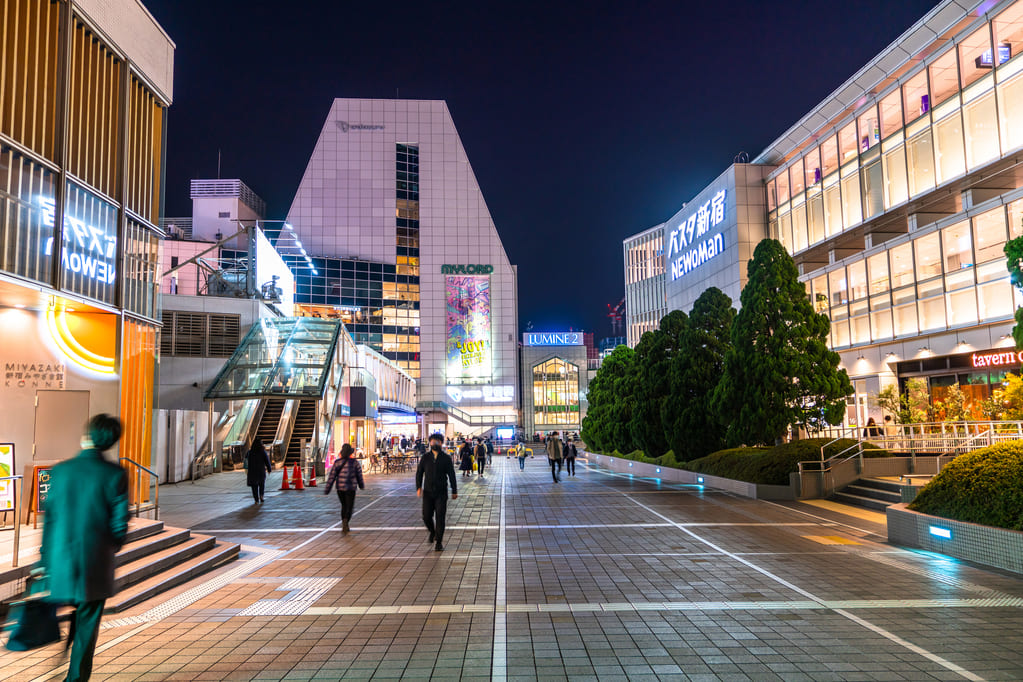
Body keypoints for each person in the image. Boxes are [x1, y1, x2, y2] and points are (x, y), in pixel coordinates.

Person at [40, 414, 128, 682]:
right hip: (95, 562)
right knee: (87, 622)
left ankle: (58, 654)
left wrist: (45, 557)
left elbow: (50, 518)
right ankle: (75, 677)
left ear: (87, 436)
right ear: (111, 442)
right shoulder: (115, 474)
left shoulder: (61, 470)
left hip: (61, 560)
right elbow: (119, 524)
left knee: (64, 610)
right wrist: (108, 547)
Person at [416, 433, 458, 551]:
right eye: (433, 441)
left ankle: (438, 542)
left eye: (438, 441)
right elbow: (419, 473)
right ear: (430, 443)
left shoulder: (446, 458)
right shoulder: (425, 457)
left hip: (441, 493)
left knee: (440, 517)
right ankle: (432, 531)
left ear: (441, 443)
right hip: (428, 493)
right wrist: (418, 487)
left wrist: (454, 490)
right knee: (426, 516)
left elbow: (451, 475)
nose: (435, 443)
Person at [324, 443, 365, 533]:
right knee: (349, 506)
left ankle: (344, 522)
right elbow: (359, 475)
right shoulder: (355, 463)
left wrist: (328, 488)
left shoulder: (337, 462)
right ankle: (346, 521)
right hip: (351, 488)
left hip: (340, 488)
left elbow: (332, 476)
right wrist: (361, 485)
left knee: (344, 505)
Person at [246, 437, 273, 504]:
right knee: (261, 484)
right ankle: (261, 496)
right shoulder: (262, 451)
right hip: (261, 471)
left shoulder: (250, 452)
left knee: (254, 486)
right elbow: (267, 460)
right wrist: (269, 468)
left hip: (252, 471)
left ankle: (256, 500)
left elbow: (246, 461)